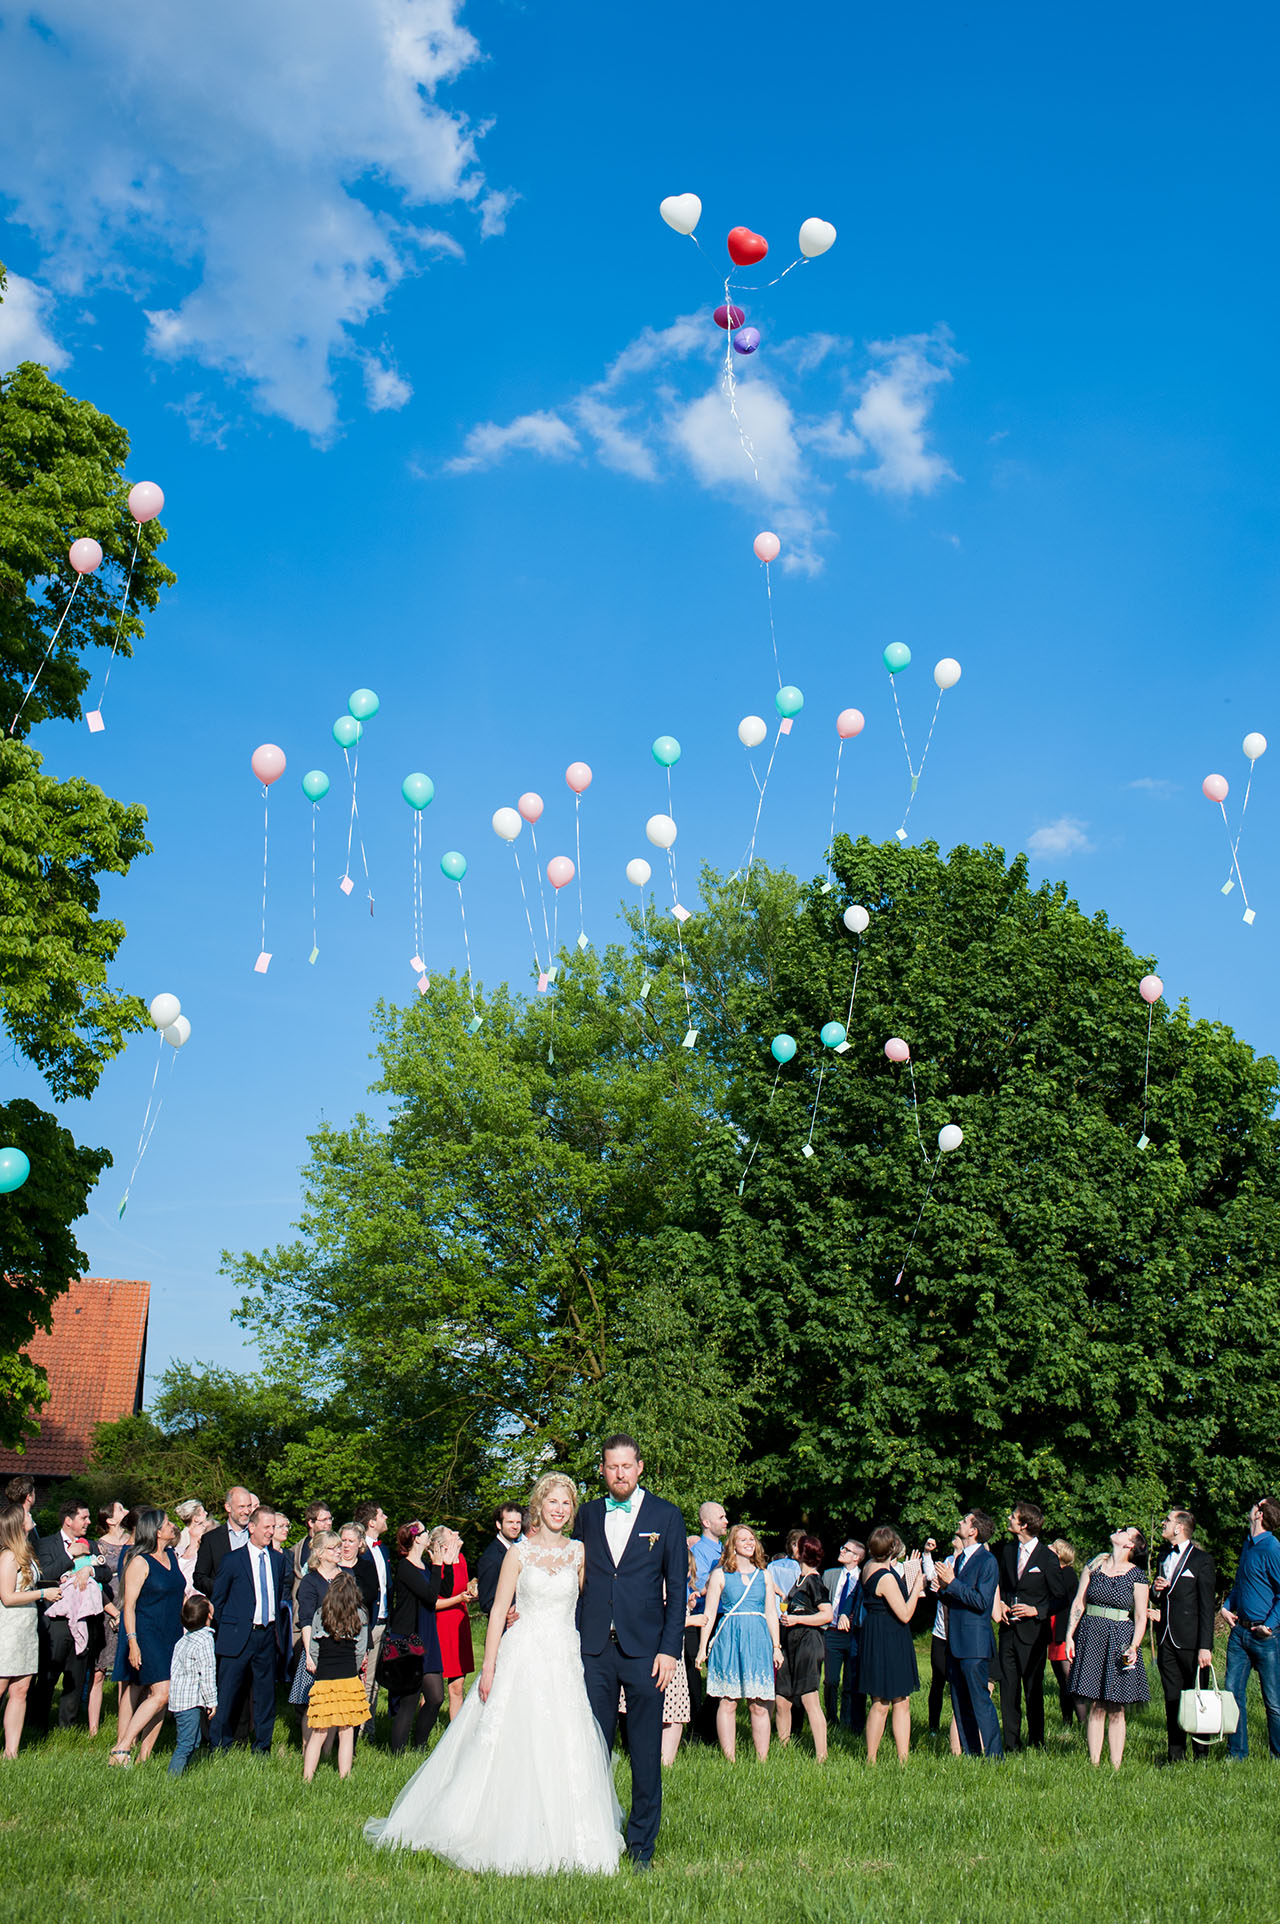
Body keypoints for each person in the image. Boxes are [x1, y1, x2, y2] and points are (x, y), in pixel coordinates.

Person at [366, 1471, 624, 1874]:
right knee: (512, 1737)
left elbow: (591, 1605)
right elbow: (500, 1610)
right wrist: (488, 1668)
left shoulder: (579, 1553)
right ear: (538, 1506)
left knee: (565, 1738)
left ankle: (571, 1835)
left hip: (563, 1655)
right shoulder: (517, 1554)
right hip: (522, 1655)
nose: (559, 1510)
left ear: (573, 1511)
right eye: (552, 1502)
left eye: (566, 1503)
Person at [575, 1435, 688, 1869]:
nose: (619, 1474)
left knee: (644, 1753)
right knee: (590, 1749)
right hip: (594, 1650)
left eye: (626, 1466)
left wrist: (669, 1650)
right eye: (611, 1467)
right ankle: (593, 1838)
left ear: (640, 1467)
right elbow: (577, 1581)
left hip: (647, 1654)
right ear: (602, 1470)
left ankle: (642, 1846)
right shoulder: (585, 1515)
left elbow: (677, 1589)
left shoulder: (666, 1515)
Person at [1064, 1525, 1151, 1768]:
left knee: (1116, 1704)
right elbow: (1079, 1603)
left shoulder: (1137, 1575)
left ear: (1130, 1544)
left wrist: (1134, 1647)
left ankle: (1115, 1765)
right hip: (1091, 1635)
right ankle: (1093, 1764)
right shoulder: (1094, 1566)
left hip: (1120, 1639)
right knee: (1095, 1703)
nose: (1118, 1530)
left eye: (1125, 1531)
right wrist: (1069, 1635)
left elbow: (1141, 1617)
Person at [697, 1523, 782, 1763]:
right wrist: (702, 1648)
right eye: (743, 1539)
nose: (749, 1543)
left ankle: (762, 1760)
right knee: (728, 1700)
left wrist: (776, 1646)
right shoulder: (720, 1574)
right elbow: (710, 1614)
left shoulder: (764, 1575)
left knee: (759, 1703)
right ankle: (730, 1759)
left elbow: (771, 1613)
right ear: (732, 1544)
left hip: (757, 1639)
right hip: (729, 1638)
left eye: (751, 1539)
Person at [110, 1508, 186, 1765]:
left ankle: (144, 1757)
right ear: (156, 1530)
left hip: (172, 1633)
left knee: (165, 1697)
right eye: (167, 1523)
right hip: (147, 1633)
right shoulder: (139, 1561)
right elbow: (128, 1606)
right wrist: (132, 1642)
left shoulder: (172, 1557)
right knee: (160, 1693)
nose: (172, 1526)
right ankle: (121, 1748)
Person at [209, 1504, 286, 1754]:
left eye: (273, 1527)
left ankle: (262, 1746)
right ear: (251, 1528)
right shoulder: (233, 1560)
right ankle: (219, 1743)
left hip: (266, 1636)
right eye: (267, 1527)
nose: (271, 1532)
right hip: (237, 1637)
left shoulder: (277, 1559)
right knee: (228, 1692)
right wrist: (228, 1630)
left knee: (265, 1696)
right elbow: (218, 1600)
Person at [996, 1500, 1073, 1751]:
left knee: (1032, 1689)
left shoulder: (1047, 1557)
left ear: (1024, 1524)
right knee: (1008, 1689)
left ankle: (1037, 1742)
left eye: (1013, 1516)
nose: (1009, 1518)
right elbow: (1002, 1586)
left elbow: (1061, 1598)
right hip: (1008, 1631)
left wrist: (1036, 1611)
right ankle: (1011, 1744)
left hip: (1035, 1634)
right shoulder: (1007, 1551)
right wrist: (1001, 1605)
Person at [34, 1498, 111, 1731]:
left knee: (76, 1675)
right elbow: (44, 1574)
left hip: (84, 1620)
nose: (88, 1521)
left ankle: (68, 1727)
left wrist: (90, 1569)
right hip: (56, 1620)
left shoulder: (92, 1544)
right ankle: (36, 1724)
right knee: (48, 1674)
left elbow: (106, 1573)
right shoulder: (46, 1544)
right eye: (83, 1517)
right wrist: (71, 1556)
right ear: (69, 1521)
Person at [936, 1509, 1004, 1761]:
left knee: (980, 1702)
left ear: (973, 1531)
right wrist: (941, 1588)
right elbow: (956, 1595)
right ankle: (971, 1754)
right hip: (954, 1643)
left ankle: (995, 1756)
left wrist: (951, 1583)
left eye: (964, 1521)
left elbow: (981, 1602)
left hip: (974, 1645)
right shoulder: (959, 1559)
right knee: (959, 1702)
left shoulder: (987, 1561)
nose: (959, 1522)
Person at [1152, 1508, 1216, 1765]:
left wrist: (1205, 1646)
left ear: (1179, 1528)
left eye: (1167, 1521)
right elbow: (1162, 1597)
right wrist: (1157, 1590)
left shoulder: (1202, 1560)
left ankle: (1201, 1755)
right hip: (1166, 1638)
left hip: (1192, 1642)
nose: (1163, 1524)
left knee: (1198, 1696)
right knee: (1172, 1697)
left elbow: (1206, 1608)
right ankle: (1175, 1754)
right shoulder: (1163, 1555)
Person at [0, 1502, 60, 1759]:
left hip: (26, 1628)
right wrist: (43, 1593)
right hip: (8, 1629)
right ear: (17, 1524)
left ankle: (11, 1752)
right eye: (27, 1515)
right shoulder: (8, 1556)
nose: (32, 1517)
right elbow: (6, 1596)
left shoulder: (27, 1553)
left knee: (21, 1689)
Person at [858, 1526, 924, 1763]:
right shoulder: (885, 1577)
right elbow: (905, 1612)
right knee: (891, 1700)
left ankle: (875, 1758)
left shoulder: (869, 1567)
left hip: (878, 1633)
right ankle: (893, 1758)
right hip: (890, 1636)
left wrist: (908, 1571)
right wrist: (917, 1585)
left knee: (887, 1700)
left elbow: (893, 1594)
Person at [1223, 1495, 1280, 1761]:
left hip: (1265, 1637)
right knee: (1232, 1694)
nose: (1251, 1507)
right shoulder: (1248, 1543)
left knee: (1274, 1702)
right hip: (1240, 1633)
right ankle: (1237, 1753)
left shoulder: (1272, 1548)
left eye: (1255, 1504)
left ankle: (1276, 1755)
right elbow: (1241, 1584)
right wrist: (1226, 1606)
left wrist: (1269, 1625)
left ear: (1260, 1514)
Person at [382, 1521, 446, 1754]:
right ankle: (397, 1752)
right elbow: (430, 1596)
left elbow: (443, 1589)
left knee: (436, 1696)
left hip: (427, 1636)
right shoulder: (406, 1568)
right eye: (425, 1531)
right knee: (409, 1700)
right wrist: (438, 1565)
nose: (429, 1533)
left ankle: (420, 1745)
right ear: (417, 1538)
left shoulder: (426, 1565)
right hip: (408, 1639)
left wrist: (446, 1561)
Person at [303, 1569, 370, 1781]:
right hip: (349, 1680)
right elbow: (361, 1650)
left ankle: (307, 1777)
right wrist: (356, 1668)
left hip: (323, 1681)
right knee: (347, 1731)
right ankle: (344, 1777)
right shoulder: (360, 1615)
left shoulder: (319, 1614)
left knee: (319, 1732)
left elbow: (313, 1648)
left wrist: (319, 1663)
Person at [776, 1534, 832, 1760]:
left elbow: (826, 1615)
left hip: (809, 1643)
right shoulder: (799, 1580)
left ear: (802, 1552)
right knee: (782, 1698)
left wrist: (798, 1620)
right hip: (790, 1643)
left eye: (797, 1546)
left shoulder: (815, 1582)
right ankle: (783, 1750)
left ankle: (821, 1755)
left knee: (810, 1698)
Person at [289, 1529, 340, 1744]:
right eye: (333, 1548)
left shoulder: (346, 1577)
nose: (339, 1551)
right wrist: (310, 1654)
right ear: (319, 1552)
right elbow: (306, 1619)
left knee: (337, 1704)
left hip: (341, 1649)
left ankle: (328, 1754)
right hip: (317, 1647)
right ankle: (308, 1749)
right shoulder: (310, 1581)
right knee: (313, 1703)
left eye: (339, 1547)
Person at [87, 1502, 130, 1737]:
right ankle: (93, 1728)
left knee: (125, 1670)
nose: (125, 1511)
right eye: (120, 1509)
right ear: (110, 1520)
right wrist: (112, 1610)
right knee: (99, 1670)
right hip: (105, 1607)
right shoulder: (98, 1546)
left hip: (128, 1605)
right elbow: (95, 1582)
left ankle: (124, 1724)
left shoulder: (132, 1542)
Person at [689, 1500, 728, 1744]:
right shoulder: (700, 1552)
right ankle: (697, 1730)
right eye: (721, 1517)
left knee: (722, 1674)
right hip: (705, 1619)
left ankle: (712, 1728)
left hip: (726, 1617)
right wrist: (723, 1567)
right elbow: (699, 1585)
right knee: (699, 1677)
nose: (726, 1521)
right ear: (706, 1522)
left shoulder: (725, 1549)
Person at [167, 1592, 218, 1776]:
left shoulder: (183, 1640)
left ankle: (182, 1773)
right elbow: (207, 1672)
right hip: (190, 1702)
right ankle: (172, 1780)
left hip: (179, 1700)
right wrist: (212, 1701)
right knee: (186, 1744)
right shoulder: (205, 1639)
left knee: (193, 1740)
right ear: (209, 1616)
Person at [430, 1525, 476, 1719]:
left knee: (457, 1686)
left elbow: (462, 1586)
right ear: (442, 1544)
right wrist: (459, 1599)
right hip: (441, 1625)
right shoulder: (436, 1566)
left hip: (460, 1623)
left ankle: (454, 1735)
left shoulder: (462, 1559)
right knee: (433, 1688)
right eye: (451, 1533)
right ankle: (422, 1732)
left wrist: (473, 1590)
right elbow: (432, 1602)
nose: (457, 1534)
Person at [824, 1537, 866, 1734]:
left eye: (846, 1549)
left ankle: (848, 1722)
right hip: (831, 1633)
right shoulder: (830, 1575)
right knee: (831, 1680)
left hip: (853, 1635)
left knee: (851, 1682)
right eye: (842, 1547)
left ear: (856, 1557)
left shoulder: (864, 1578)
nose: (841, 1551)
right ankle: (831, 1718)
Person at [354, 1501, 391, 1718]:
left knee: (375, 1679)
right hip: (368, 1622)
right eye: (382, 1515)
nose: (385, 1518)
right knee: (364, 1678)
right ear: (371, 1522)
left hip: (384, 1620)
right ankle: (356, 1732)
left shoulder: (383, 1549)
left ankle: (369, 1730)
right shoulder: (360, 1551)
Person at [192, 1485, 254, 1597]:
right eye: (241, 1507)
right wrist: (222, 1588)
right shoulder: (211, 1539)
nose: (246, 1511)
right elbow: (199, 1578)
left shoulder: (257, 1536)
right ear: (228, 1507)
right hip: (224, 1608)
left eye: (249, 1506)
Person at [1046, 1540, 1082, 1727]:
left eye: (1052, 1547)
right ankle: (1067, 1721)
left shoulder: (1067, 1573)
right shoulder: (1054, 1573)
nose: (1047, 1548)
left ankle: (1083, 1722)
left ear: (1060, 1554)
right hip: (1053, 1633)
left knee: (1070, 1680)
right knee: (1062, 1682)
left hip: (1063, 1633)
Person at [475, 1501, 523, 1620]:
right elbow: (486, 1602)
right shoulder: (490, 1558)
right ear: (499, 1524)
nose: (515, 1527)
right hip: (505, 1626)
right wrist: (507, 1614)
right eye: (510, 1522)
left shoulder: (520, 1550)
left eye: (518, 1522)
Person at [292, 1501, 334, 1613]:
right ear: (311, 1523)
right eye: (324, 1520)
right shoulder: (295, 1551)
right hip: (303, 1614)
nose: (329, 1523)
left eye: (330, 1519)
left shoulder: (337, 1548)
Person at [174, 1500, 207, 1592]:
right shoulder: (184, 1539)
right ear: (196, 1518)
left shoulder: (182, 1535)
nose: (206, 1513)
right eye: (203, 1512)